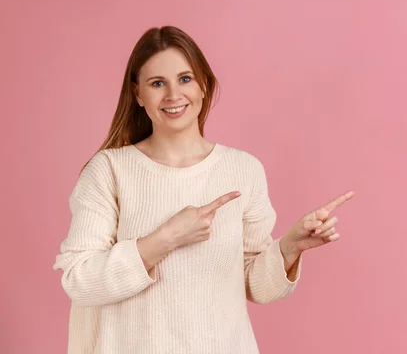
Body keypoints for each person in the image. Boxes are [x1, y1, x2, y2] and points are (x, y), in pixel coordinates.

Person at [52, 25, 355, 354]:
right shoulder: (110, 171)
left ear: (204, 85)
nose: (173, 95)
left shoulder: (244, 170)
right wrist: (166, 238)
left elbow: (253, 284)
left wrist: (289, 249)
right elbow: (79, 281)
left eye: (185, 79)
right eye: (157, 83)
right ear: (138, 94)